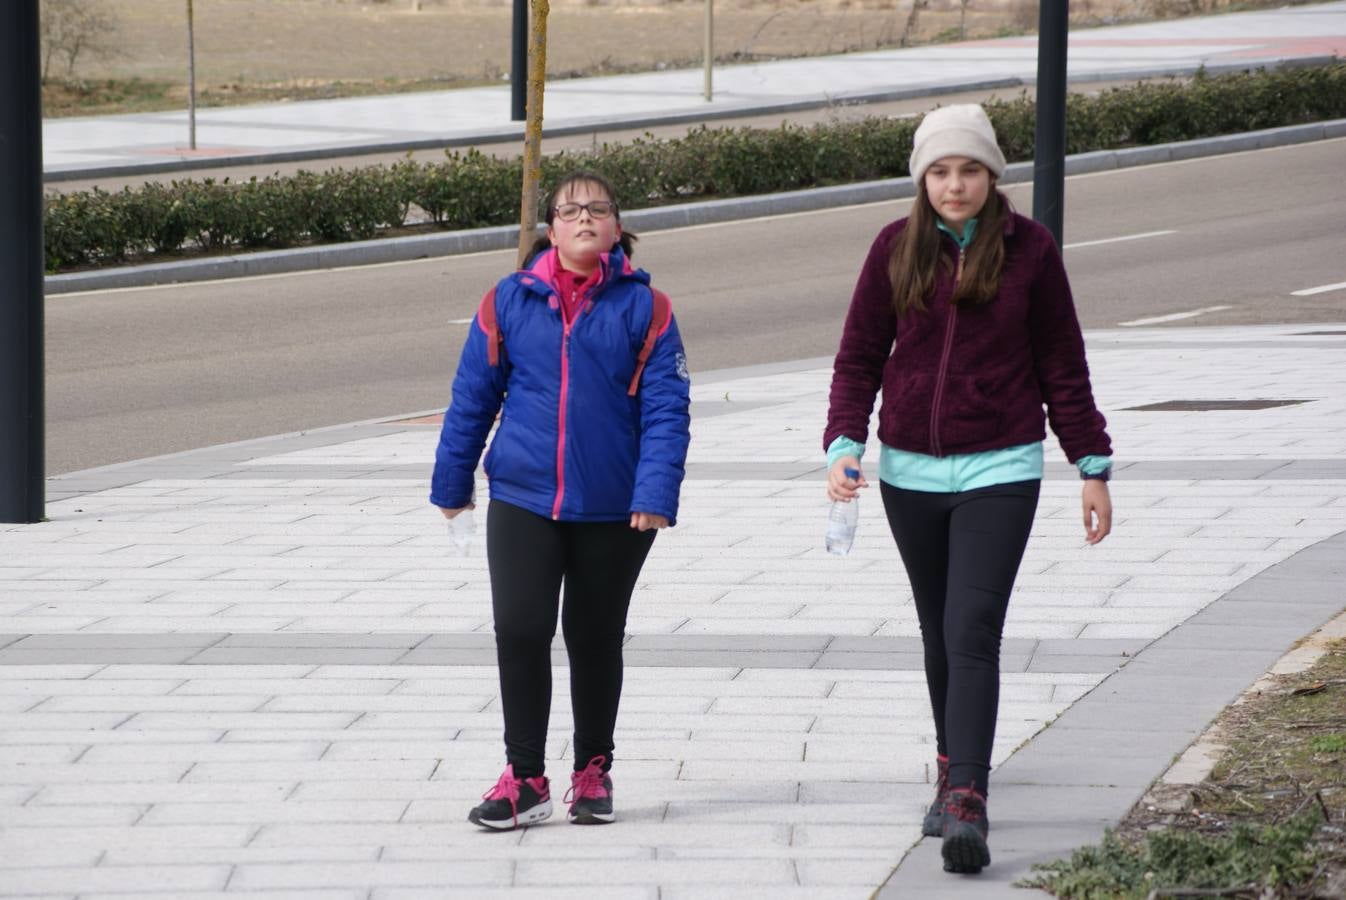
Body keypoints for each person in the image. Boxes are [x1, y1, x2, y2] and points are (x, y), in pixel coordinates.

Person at [823, 104, 1114, 875]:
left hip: (1003, 466)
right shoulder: (894, 247)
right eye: (942, 171)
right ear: (924, 178)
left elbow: (1062, 361)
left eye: (971, 170)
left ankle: (966, 802)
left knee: (972, 627)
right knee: (937, 631)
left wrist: (1091, 464)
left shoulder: (1031, 251)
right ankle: (954, 762)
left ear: (992, 175)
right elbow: (858, 357)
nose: (956, 185)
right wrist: (845, 445)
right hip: (909, 473)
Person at [430, 171, 692, 831]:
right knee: (520, 629)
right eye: (569, 210)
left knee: (594, 636)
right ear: (551, 228)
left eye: (597, 209)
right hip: (523, 496)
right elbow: (473, 396)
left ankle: (592, 772)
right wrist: (451, 482)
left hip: (617, 507)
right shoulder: (508, 300)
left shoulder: (648, 308)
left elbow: (668, 409)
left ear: (615, 228)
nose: (583, 218)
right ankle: (524, 779)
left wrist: (656, 492)